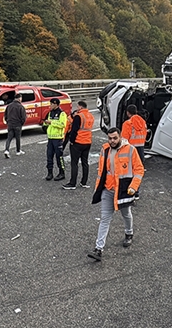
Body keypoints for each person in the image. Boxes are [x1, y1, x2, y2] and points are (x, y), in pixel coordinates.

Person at [87, 127, 144, 261]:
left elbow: (139, 169)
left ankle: (129, 233)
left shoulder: (130, 150)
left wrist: (133, 187)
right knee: (105, 219)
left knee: (126, 214)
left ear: (120, 137)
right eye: (110, 138)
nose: (112, 141)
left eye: (114, 138)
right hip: (108, 190)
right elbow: (102, 171)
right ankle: (98, 249)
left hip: (123, 190)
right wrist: (98, 189)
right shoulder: (105, 149)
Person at [62, 100, 93, 190]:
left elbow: (74, 130)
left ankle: (73, 183)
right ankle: (84, 182)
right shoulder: (90, 116)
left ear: (80, 107)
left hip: (78, 142)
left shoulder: (79, 116)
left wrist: (71, 141)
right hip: (88, 142)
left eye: (78, 107)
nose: (77, 108)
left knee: (74, 163)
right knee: (85, 163)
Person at [43, 98, 68, 181]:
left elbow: (62, 124)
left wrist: (51, 123)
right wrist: (45, 123)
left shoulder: (62, 114)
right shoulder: (50, 113)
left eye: (51, 104)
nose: (50, 106)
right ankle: (50, 173)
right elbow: (48, 123)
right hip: (50, 138)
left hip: (58, 139)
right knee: (49, 156)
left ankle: (61, 173)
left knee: (59, 157)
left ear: (56, 104)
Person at [4, 93, 27, 158]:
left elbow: (5, 115)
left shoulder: (9, 105)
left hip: (10, 123)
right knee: (18, 138)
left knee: (9, 138)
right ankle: (18, 151)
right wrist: (21, 123)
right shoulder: (20, 107)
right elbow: (23, 117)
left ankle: (7, 150)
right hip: (17, 124)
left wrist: (7, 121)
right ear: (19, 98)